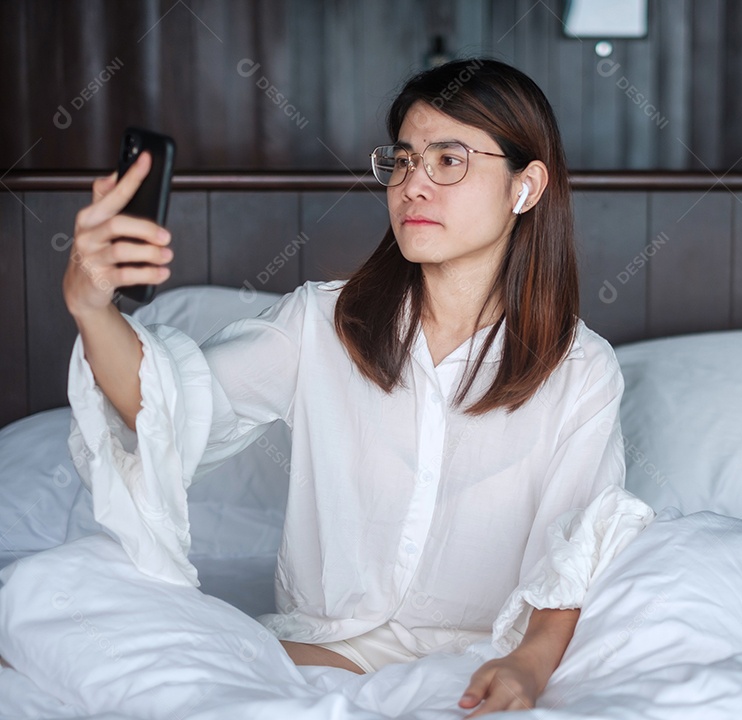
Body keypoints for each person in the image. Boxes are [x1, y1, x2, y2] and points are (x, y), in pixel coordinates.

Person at [58, 58, 653, 716]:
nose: (412, 187)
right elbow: (165, 403)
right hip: (315, 654)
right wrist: (92, 309)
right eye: (403, 160)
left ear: (527, 186)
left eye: (448, 160)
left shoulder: (580, 371)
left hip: (471, 671)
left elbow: (568, 561)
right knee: (51, 599)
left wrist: (528, 669)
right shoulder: (321, 322)